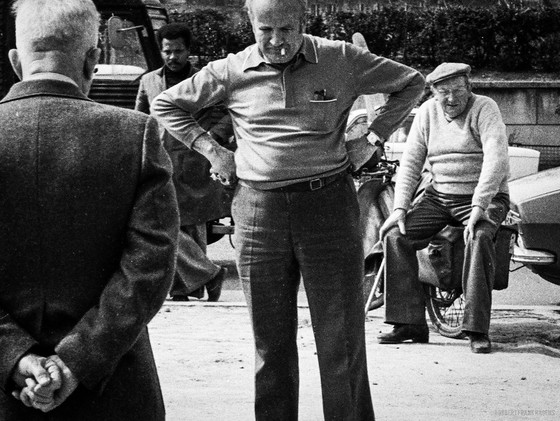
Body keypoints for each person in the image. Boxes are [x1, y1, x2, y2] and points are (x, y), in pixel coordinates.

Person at [152, 0, 424, 418]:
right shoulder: (230, 70)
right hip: (259, 213)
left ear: (303, 22)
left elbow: (411, 82)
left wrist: (372, 137)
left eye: (286, 29)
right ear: (251, 25)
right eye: (265, 30)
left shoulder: (341, 59)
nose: (276, 42)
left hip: (328, 206)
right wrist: (214, 152)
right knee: (270, 343)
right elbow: (167, 104)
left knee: (341, 338)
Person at [0, 0, 179, 419]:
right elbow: (150, 268)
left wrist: (15, 357)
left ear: (15, 61)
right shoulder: (135, 135)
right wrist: (75, 362)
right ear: (93, 59)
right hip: (114, 389)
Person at [377, 62, 510, 354]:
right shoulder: (426, 112)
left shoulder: (485, 108)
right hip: (439, 196)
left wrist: (480, 204)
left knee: (480, 236)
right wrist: (399, 208)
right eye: (443, 93)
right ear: (434, 94)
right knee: (395, 236)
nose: (451, 99)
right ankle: (409, 323)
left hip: (483, 196)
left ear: (469, 88)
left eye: (458, 91)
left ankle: (476, 329)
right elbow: (411, 161)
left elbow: (496, 157)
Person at [136, 22, 231, 302]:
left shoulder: (205, 80)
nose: (172, 57)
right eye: (167, 51)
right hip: (160, 163)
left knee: (193, 228)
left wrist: (210, 138)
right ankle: (208, 276)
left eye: (178, 51)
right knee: (161, 223)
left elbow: (228, 115)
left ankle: (189, 289)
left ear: (188, 50)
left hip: (197, 165)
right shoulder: (149, 81)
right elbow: (140, 118)